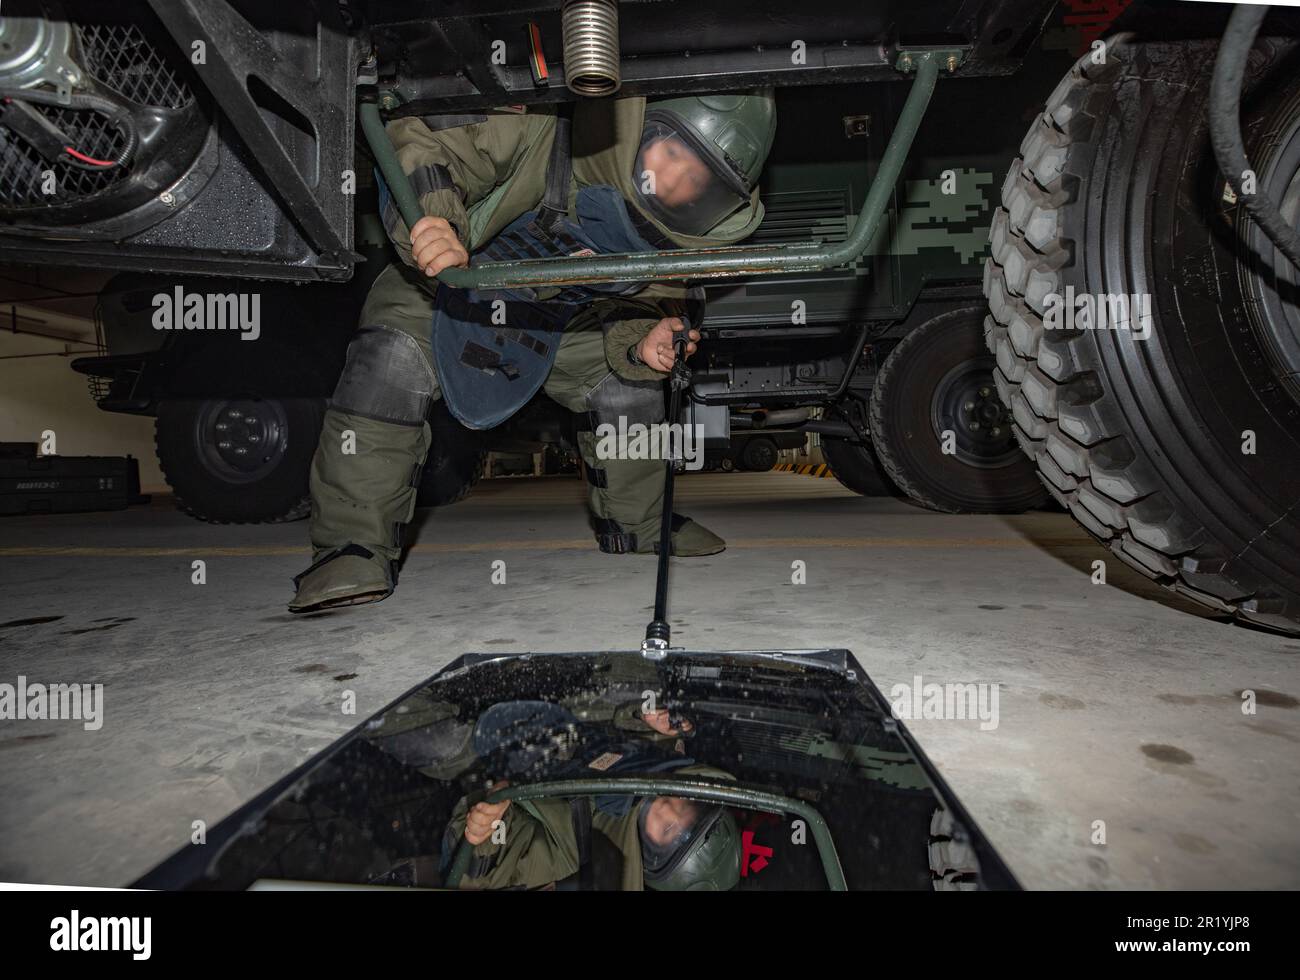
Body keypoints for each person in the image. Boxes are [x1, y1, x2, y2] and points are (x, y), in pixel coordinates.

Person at [289, 92, 777, 613]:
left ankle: (640, 521)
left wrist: (645, 339)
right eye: (673, 154)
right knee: (389, 363)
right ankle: (350, 545)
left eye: (699, 182)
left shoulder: (669, 243)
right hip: (447, 293)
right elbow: (426, 140)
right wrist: (435, 221)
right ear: (640, 127)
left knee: (628, 386)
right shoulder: (540, 130)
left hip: (554, 323)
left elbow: (645, 306)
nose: (676, 185)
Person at [446, 708, 742, 891]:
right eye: (686, 809)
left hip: (486, 741)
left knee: (429, 742)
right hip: (564, 673)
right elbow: (630, 688)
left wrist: (486, 827)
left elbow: (489, 872)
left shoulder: (579, 843)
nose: (667, 807)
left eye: (667, 830)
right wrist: (646, 713)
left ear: (649, 857)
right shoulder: (673, 756)